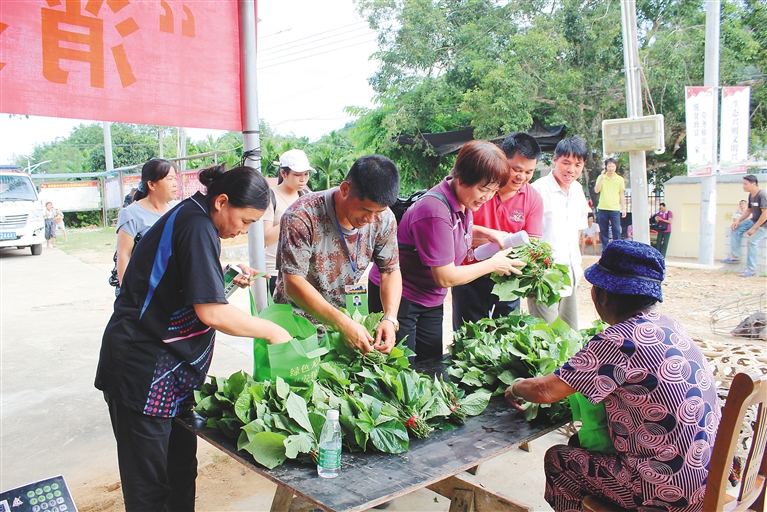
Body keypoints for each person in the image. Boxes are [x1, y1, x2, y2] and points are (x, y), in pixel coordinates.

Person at [95, 164, 292, 511]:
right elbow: (212, 313)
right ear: (221, 202)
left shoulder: (197, 216)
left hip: (171, 373)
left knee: (180, 471)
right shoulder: (196, 225)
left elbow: (182, 278)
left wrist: (222, 275)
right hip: (142, 369)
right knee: (151, 488)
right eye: (245, 221)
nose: (244, 231)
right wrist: (273, 330)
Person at [505, 240, 721, 512]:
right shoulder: (670, 326)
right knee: (580, 447)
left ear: (603, 296)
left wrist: (514, 388)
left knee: (560, 459)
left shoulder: (619, 340)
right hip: (707, 478)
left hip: (668, 493)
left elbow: (544, 392)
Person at [369, 140, 524, 362]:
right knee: (401, 370)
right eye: (483, 189)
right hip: (402, 297)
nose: (487, 197)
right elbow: (445, 276)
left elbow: (453, 232)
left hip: (430, 299)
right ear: (461, 178)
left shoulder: (462, 201)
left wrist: (488, 233)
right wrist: (493, 264)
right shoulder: (434, 209)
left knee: (430, 365)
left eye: (493, 191)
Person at [274, 155, 402, 355]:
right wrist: (342, 323)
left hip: (347, 326)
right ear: (345, 189)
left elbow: (390, 270)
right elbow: (293, 284)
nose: (370, 219)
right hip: (299, 327)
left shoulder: (384, 219)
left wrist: (390, 317)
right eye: (365, 210)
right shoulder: (302, 216)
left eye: (378, 212)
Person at [452, 132, 543, 329]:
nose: (522, 177)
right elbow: (454, 228)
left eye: (529, 172)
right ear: (502, 159)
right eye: (516, 169)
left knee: (507, 337)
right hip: (469, 274)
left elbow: (532, 244)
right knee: (469, 338)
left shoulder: (534, 199)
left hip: (507, 278)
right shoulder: (476, 187)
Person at [528, 136, 591, 330]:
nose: (571, 170)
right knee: (547, 336)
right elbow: (529, 238)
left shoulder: (577, 190)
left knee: (569, 334)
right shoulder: (537, 190)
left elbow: (578, 231)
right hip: (544, 275)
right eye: (566, 162)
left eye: (577, 164)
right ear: (554, 160)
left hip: (571, 274)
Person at [114, 159, 179, 293]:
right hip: (143, 288)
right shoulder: (130, 214)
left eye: (175, 178)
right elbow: (123, 255)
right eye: (169, 179)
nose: (175, 184)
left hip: (171, 287)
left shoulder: (178, 209)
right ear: (151, 184)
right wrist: (128, 294)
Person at [262, 149, 311, 295]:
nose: (303, 179)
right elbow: (267, 238)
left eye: (306, 174)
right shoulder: (270, 197)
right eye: (297, 175)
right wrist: (291, 218)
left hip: (303, 271)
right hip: (275, 272)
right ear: (283, 174)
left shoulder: (307, 196)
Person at [723, 174, 767, 277]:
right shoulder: (751, 195)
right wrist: (738, 220)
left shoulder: (762, 195)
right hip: (754, 220)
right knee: (736, 228)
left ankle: (751, 270)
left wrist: (754, 228)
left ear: (753, 184)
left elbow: (765, 214)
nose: (743, 186)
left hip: (764, 224)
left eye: (745, 184)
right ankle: (735, 256)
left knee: (752, 242)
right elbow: (749, 210)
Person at [594, 158, 626, 247]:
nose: (611, 168)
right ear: (606, 167)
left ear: (615, 167)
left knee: (616, 230)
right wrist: (602, 179)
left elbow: (622, 194)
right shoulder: (601, 177)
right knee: (603, 231)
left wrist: (623, 208)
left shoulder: (620, 179)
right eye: (609, 166)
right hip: (602, 207)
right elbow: (596, 190)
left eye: (613, 166)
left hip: (614, 208)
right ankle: (605, 250)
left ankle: (618, 249)